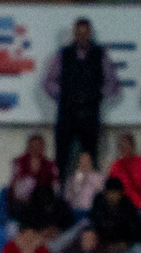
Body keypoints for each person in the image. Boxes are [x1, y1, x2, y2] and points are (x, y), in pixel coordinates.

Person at [45, 18, 121, 178]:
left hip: (90, 115)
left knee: (91, 158)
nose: (82, 37)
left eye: (85, 33)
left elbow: (112, 83)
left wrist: (97, 94)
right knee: (62, 160)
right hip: (67, 114)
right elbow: (49, 82)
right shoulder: (63, 54)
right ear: (74, 34)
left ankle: (92, 197)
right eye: (79, 33)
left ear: (90, 34)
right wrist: (64, 94)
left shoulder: (100, 54)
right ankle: (61, 197)